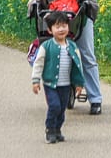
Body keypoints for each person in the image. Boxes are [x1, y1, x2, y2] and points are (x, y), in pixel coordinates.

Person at [36, 0, 102, 115]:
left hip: (79, 15)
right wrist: (35, 0)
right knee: (53, 53)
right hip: (57, 16)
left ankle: (95, 98)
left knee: (87, 55)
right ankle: (65, 90)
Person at [31, 11, 85, 144]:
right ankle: (50, 129)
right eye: (57, 26)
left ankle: (58, 129)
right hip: (50, 84)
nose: (61, 29)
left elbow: (78, 66)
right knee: (54, 106)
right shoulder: (46, 46)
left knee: (61, 109)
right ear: (50, 30)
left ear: (68, 27)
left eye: (64, 26)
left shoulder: (72, 46)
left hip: (66, 85)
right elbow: (38, 63)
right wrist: (35, 80)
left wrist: (79, 83)